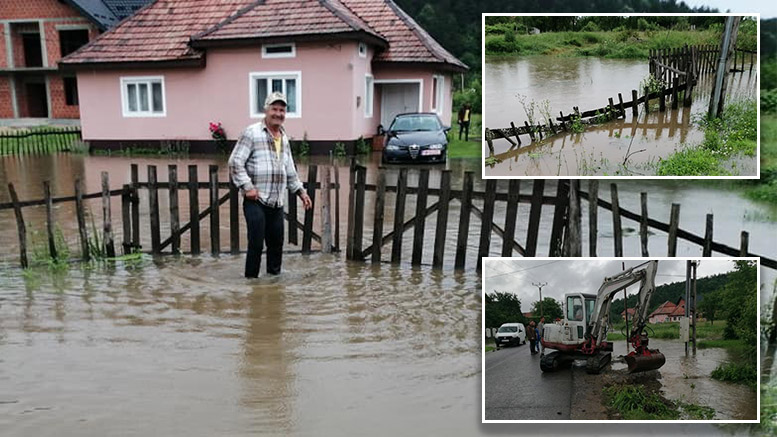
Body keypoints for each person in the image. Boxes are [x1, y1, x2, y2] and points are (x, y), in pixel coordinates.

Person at [229, 91, 312, 278]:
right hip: (256, 201)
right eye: (274, 109)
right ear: (266, 110)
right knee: (256, 244)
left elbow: (289, 168)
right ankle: (252, 284)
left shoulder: (283, 137)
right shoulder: (251, 133)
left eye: (282, 110)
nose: (278, 113)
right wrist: (247, 187)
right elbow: (235, 162)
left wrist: (301, 191)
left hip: (276, 203)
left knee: (276, 246)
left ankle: (274, 288)